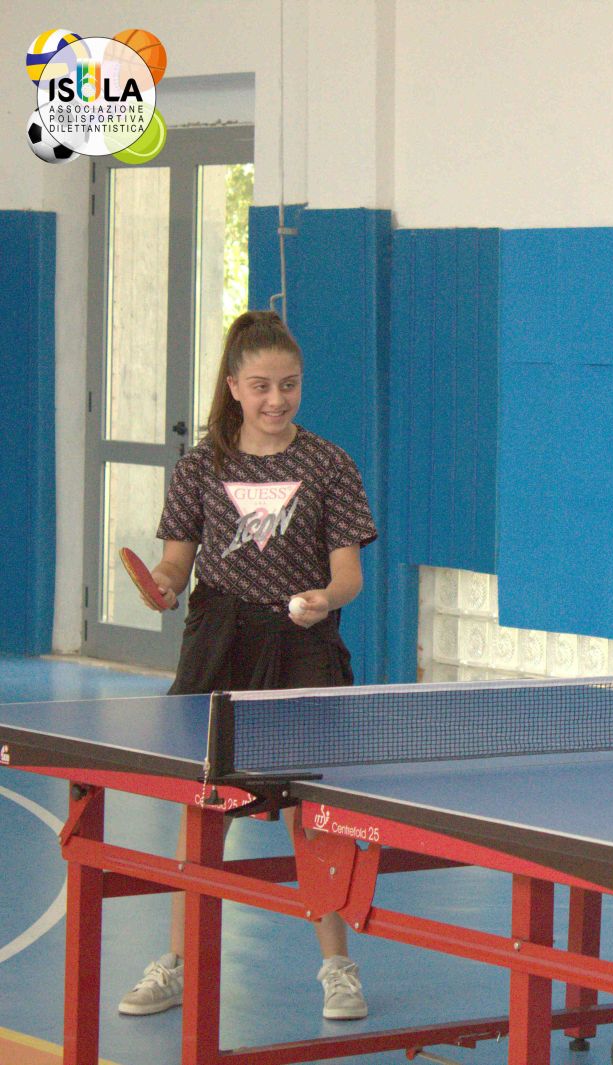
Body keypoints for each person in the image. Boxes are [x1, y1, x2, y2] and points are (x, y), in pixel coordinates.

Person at [118, 310, 378, 1022]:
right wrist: (163, 584)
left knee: (312, 811)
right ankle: (177, 962)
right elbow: (176, 563)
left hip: (302, 644)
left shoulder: (329, 464)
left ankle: (338, 968)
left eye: (289, 384)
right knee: (203, 806)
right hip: (220, 640)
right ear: (233, 385)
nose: (276, 399)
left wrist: (325, 599)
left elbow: (348, 575)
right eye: (261, 385)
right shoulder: (202, 465)